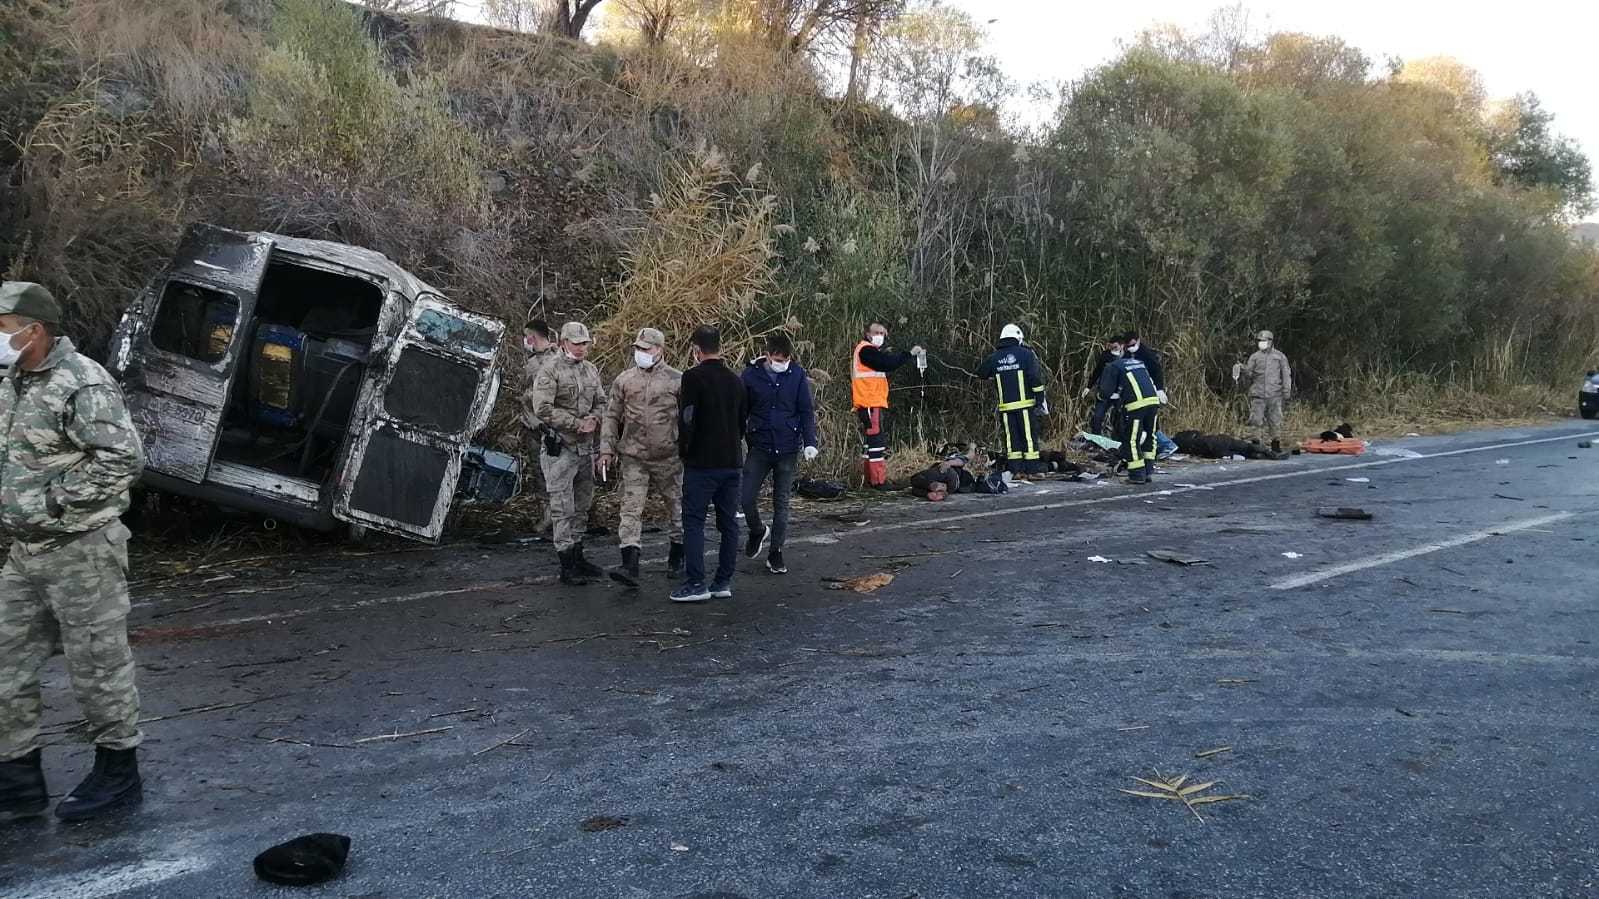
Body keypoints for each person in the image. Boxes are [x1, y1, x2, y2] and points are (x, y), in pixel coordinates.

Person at [0, 281, 147, 823]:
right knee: (4, 661)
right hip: (24, 553)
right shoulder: (10, 383)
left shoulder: (82, 382)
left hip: (81, 549)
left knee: (97, 664)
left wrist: (57, 502)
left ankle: (117, 772)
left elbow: (121, 458)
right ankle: (16, 778)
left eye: (1, 325)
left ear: (33, 330)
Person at [600, 328, 683, 588]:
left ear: (660, 350)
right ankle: (630, 563)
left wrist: (690, 450)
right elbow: (611, 415)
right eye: (638, 348)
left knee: (678, 507)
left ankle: (677, 558)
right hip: (634, 455)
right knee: (630, 509)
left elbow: (690, 418)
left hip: (668, 456)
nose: (641, 353)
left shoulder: (677, 380)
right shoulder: (625, 380)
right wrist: (606, 448)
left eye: (646, 349)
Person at [673, 326, 749, 603]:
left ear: (696, 350)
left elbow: (688, 418)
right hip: (731, 462)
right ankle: (723, 581)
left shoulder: (692, 377)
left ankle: (696, 583)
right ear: (720, 347)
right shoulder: (736, 381)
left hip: (702, 463)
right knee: (728, 523)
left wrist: (685, 450)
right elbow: (743, 422)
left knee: (693, 521)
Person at [528, 322, 607, 586]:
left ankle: (578, 556)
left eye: (585, 343)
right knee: (562, 508)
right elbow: (542, 408)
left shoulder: (591, 370)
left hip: (585, 448)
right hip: (561, 448)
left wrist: (595, 419)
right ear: (564, 343)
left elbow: (602, 402)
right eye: (577, 343)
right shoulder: (550, 369)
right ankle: (566, 564)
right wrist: (576, 423)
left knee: (582, 506)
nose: (582, 348)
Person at [740, 332, 818, 575]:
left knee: (781, 503)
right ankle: (757, 530)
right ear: (767, 355)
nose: (781, 363)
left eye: (785, 359)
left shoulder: (796, 375)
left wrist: (810, 441)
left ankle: (776, 553)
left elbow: (805, 410)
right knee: (746, 497)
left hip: (787, 447)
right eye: (777, 359)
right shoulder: (751, 375)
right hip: (760, 445)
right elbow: (741, 409)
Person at [851, 322, 924, 488]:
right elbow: (887, 363)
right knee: (876, 442)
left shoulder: (869, 351)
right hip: (869, 402)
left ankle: (868, 480)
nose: (880, 336)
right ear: (868, 333)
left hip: (870, 402)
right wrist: (909, 354)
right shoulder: (866, 350)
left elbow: (884, 363)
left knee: (870, 443)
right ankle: (878, 481)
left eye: (883, 334)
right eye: (877, 332)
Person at [976, 324, 1048, 476]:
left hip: (1006, 407)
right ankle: (1032, 469)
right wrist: (1040, 398)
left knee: (1011, 439)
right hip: (1025, 406)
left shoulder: (994, 357)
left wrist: (996, 374)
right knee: (1028, 437)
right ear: (1018, 338)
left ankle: (1015, 469)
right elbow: (1034, 378)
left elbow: (981, 372)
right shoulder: (1026, 355)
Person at [1097, 343, 1161, 484]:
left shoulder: (1113, 366)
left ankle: (1137, 474)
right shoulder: (1138, 362)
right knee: (1150, 436)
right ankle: (1148, 471)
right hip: (1153, 401)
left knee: (1132, 440)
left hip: (1136, 405)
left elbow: (1105, 392)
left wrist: (1102, 397)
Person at [519, 316, 559, 540]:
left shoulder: (537, 364)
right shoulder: (558, 358)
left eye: (526, 337)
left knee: (543, 473)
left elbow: (530, 397)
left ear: (532, 338)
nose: (525, 341)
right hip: (549, 426)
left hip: (540, 427)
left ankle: (549, 516)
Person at [1234, 330, 1293, 453]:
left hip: (1275, 394)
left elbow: (1286, 374)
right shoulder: (1255, 357)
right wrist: (1241, 368)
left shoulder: (1280, 357)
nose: (1261, 343)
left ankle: (1275, 444)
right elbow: (1250, 373)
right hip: (1258, 394)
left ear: (1271, 341)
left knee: (1275, 420)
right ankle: (1256, 444)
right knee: (1256, 420)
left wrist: (1287, 390)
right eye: (1260, 341)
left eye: (1264, 341)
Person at [1084, 335, 1125, 435]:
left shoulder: (1127, 357)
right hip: (1105, 391)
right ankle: (1096, 439)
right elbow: (1097, 372)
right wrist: (1088, 387)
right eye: (1111, 347)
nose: (1113, 349)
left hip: (1120, 393)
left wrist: (1120, 392)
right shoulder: (1105, 356)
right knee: (1097, 417)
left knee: (1120, 418)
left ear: (1121, 346)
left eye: (1115, 347)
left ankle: (1120, 439)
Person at [909, 451, 974, 501]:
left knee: (915, 479)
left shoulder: (954, 456)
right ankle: (936, 491)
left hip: (949, 474)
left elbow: (961, 460)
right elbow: (962, 460)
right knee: (915, 488)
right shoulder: (970, 483)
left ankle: (934, 488)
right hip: (952, 486)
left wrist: (949, 463)